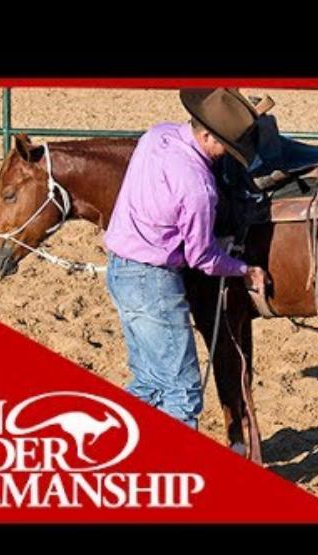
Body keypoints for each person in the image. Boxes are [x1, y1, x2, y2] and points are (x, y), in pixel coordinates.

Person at [103, 88, 269, 429]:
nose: (226, 156)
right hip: (153, 282)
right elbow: (202, 257)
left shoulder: (156, 134)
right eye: (225, 146)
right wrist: (243, 269)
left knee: (149, 382)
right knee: (182, 391)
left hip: (120, 269)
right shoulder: (198, 187)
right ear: (206, 134)